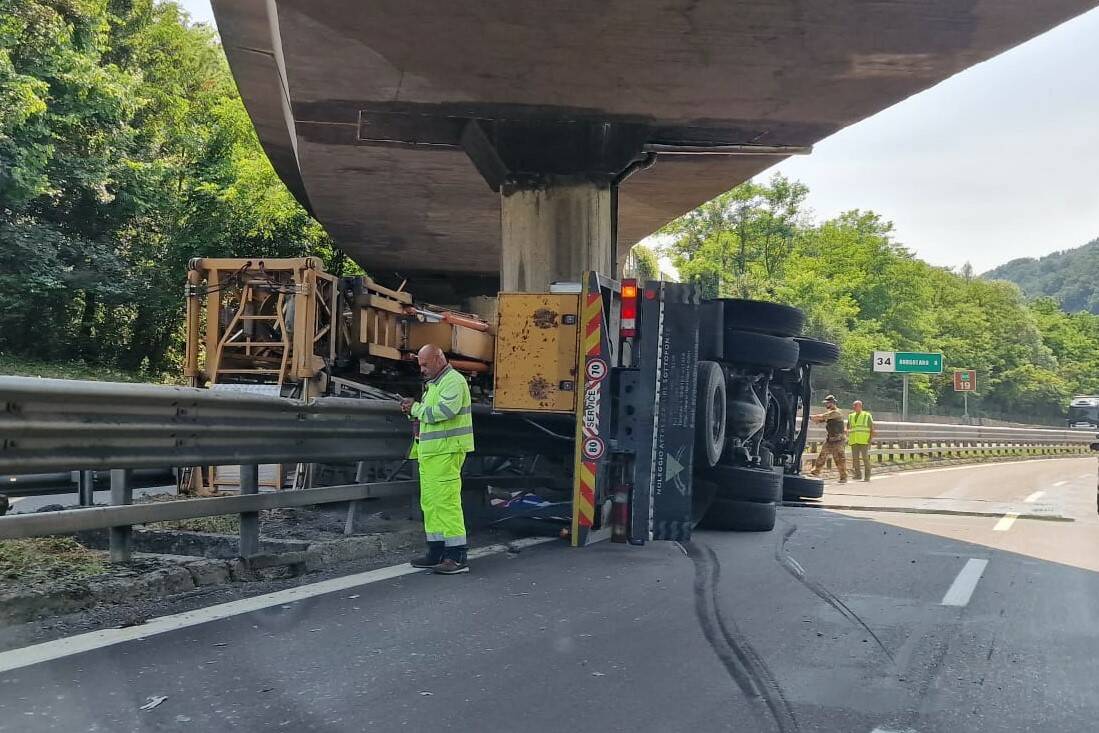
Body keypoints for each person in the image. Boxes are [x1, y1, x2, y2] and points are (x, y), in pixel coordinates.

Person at [400, 344, 474, 574]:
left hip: (445, 452)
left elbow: (442, 412)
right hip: (432, 454)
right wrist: (415, 409)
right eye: (420, 365)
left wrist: (415, 408)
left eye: (425, 364)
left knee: (446, 503)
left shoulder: (453, 381)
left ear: (439, 359)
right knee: (431, 505)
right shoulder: (435, 384)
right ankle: (436, 551)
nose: (421, 369)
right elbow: (429, 414)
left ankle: (457, 556)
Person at [807, 394, 848, 483]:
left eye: (827, 403)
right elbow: (819, 420)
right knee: (822, 455)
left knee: (839, 459)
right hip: (830, 439)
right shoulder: (831, 414)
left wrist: (809, 416)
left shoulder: (836, 412)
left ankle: (843, 477)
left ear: (832, 403)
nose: (826, 405)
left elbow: (822, 416)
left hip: (838, 440)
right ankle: (815, 472)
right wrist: (814, 419)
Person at [846, 400, 875, 482]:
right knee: (855, 459)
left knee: (865, 458)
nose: (854, 407)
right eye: (853, 406)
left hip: (864, 440)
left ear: (860, 406)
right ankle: (858, 475)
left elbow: (872, 428)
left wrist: (870, 439)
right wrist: (846, 430)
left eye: (855, 405)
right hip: (854, 440)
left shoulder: (867, 415)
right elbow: (848, 426)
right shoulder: (851, 416)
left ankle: (867, 476)